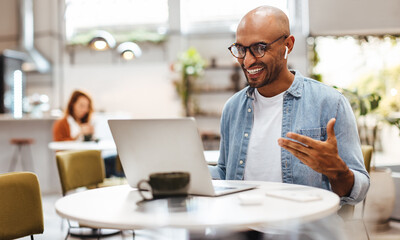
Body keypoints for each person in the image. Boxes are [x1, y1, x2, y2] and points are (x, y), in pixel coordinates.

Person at [209, 6, 369, 206]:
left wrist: (338, 172)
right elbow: (225, 173)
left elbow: (360, 190)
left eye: (259, 48)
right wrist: (187, 169)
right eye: (240, 49)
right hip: (243, 225)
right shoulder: (233, 108)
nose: (247, 61)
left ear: (288, 45)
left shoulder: (329, 103)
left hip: (303, 229)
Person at [53, 90, 119, 178]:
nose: (85, 110)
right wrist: (79, 134)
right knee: (111, 167)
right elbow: (59, 146)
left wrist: (91, 136)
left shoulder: (86, 122)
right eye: (81, 106)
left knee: (117, 159)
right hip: (76, 161)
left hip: (88, 159)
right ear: (72, 104)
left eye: (87, 106)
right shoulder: (61, 123)